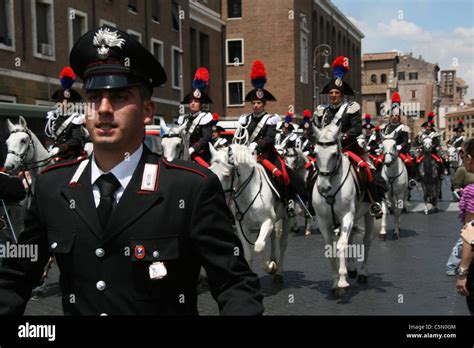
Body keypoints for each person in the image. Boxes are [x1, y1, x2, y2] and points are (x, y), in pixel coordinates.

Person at [0, 26, 263, 316]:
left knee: (279, 173)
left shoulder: (190, 188)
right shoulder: (52, 186)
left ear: (147, 110)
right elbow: (14, 276)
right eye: (94, 96)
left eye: (119, 96)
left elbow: (236, 284)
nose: (103, 109)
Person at [314, 56, 387, 219]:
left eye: (337, 93)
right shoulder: (321, 110)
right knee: (310, 172)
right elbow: (317, 129)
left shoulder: (351, 108)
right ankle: (310, 204)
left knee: (368, 170)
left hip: (348, 149)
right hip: (327, 150)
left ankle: (374, 202)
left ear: (342, 94)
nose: (333, 95)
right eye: (331, 93)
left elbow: (356, 128)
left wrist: (343, 137)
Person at [234, 60, 306, 218]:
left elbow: (270, 138)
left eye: (259, 103)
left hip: (266, 155)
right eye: (254, 103)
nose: (256, 105)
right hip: (248, 156)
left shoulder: (271, 119)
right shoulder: (245, 119)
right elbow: (240, 136)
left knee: (283, 175)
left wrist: (256, 144)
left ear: (264, 104)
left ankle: (288, 201)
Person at [45, 67, 87, 160]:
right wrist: (50, 149)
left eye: (68, 101)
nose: (65, 104)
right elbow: (49, 137)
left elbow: (76, 140)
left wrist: (60, 149)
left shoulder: (76, 119)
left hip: (70, 156)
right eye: (63, 101)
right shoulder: (53, 117)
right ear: (59, 102)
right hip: (54, 155)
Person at [177, 67, 214, 167]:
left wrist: (193, 148)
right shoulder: (184, 119)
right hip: (183, 154)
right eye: (191, 101)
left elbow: (205, 138)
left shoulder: (205, 117)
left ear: (201, 104)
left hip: (199, 155)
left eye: (196, 101)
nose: (193, 104)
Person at [455, 138, 474, 314]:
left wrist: (462, 272)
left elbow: (472, 236)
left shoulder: (471, 191)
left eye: (462, 156)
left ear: (469, 158)